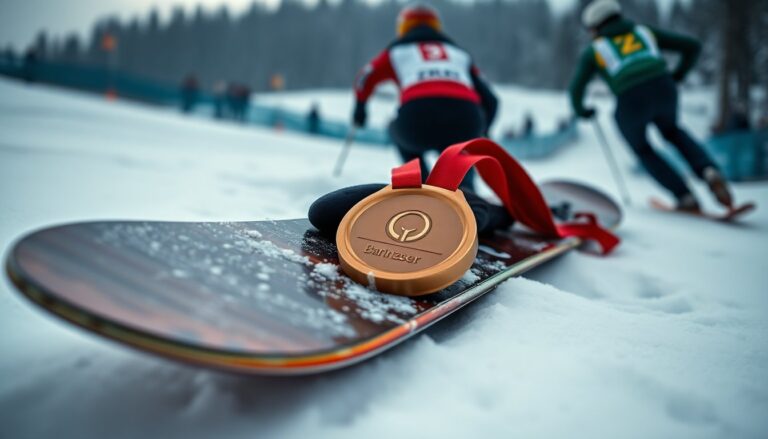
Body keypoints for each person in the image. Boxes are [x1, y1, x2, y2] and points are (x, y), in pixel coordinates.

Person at [569, 0, 733, 211]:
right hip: (663, 87)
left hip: (630, 98)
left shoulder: (595, 49)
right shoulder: (644, 32)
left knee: (643, 149)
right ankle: (708, 170)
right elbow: (692, 46)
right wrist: (677, 75)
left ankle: (684, 195)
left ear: (595, 26)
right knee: (673, 131)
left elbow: (576, 89)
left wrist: (582, 111)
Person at [352, 3, 498, 191]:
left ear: (403, 26)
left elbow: (364, 79)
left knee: (396, 130)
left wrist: (360, 109)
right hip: (465, 118)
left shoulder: (396, 51)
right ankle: (466, 189)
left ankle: (422, 186)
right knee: (461, 151)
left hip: (416, 120)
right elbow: (491, 100)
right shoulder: (460, 53)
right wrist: (484, 130)